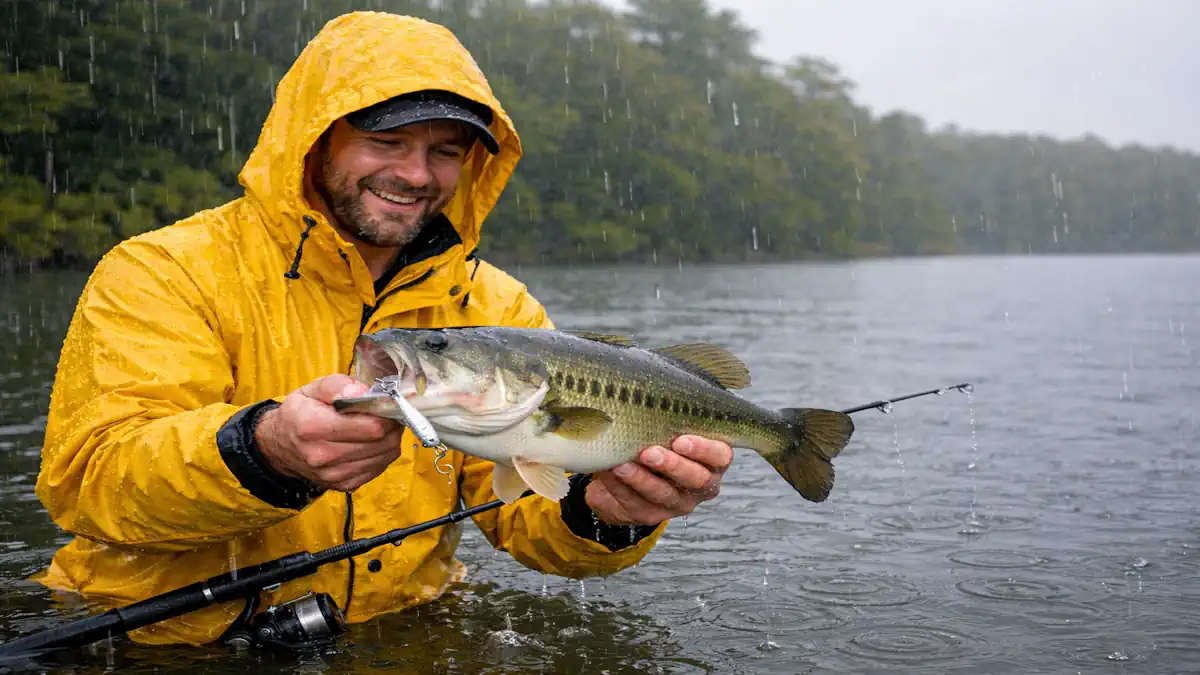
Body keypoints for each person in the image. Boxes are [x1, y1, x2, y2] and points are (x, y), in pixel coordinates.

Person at [32, 11, 733, 646]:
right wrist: (264, 450)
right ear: (318, 139)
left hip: (395, 637)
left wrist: (608, 513)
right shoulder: (162, 270)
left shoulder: (497, 306)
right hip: (158, 646)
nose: (414, 173)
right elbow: (92, 483)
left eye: (446, 151)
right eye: (385, 140)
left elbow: (522, 514)